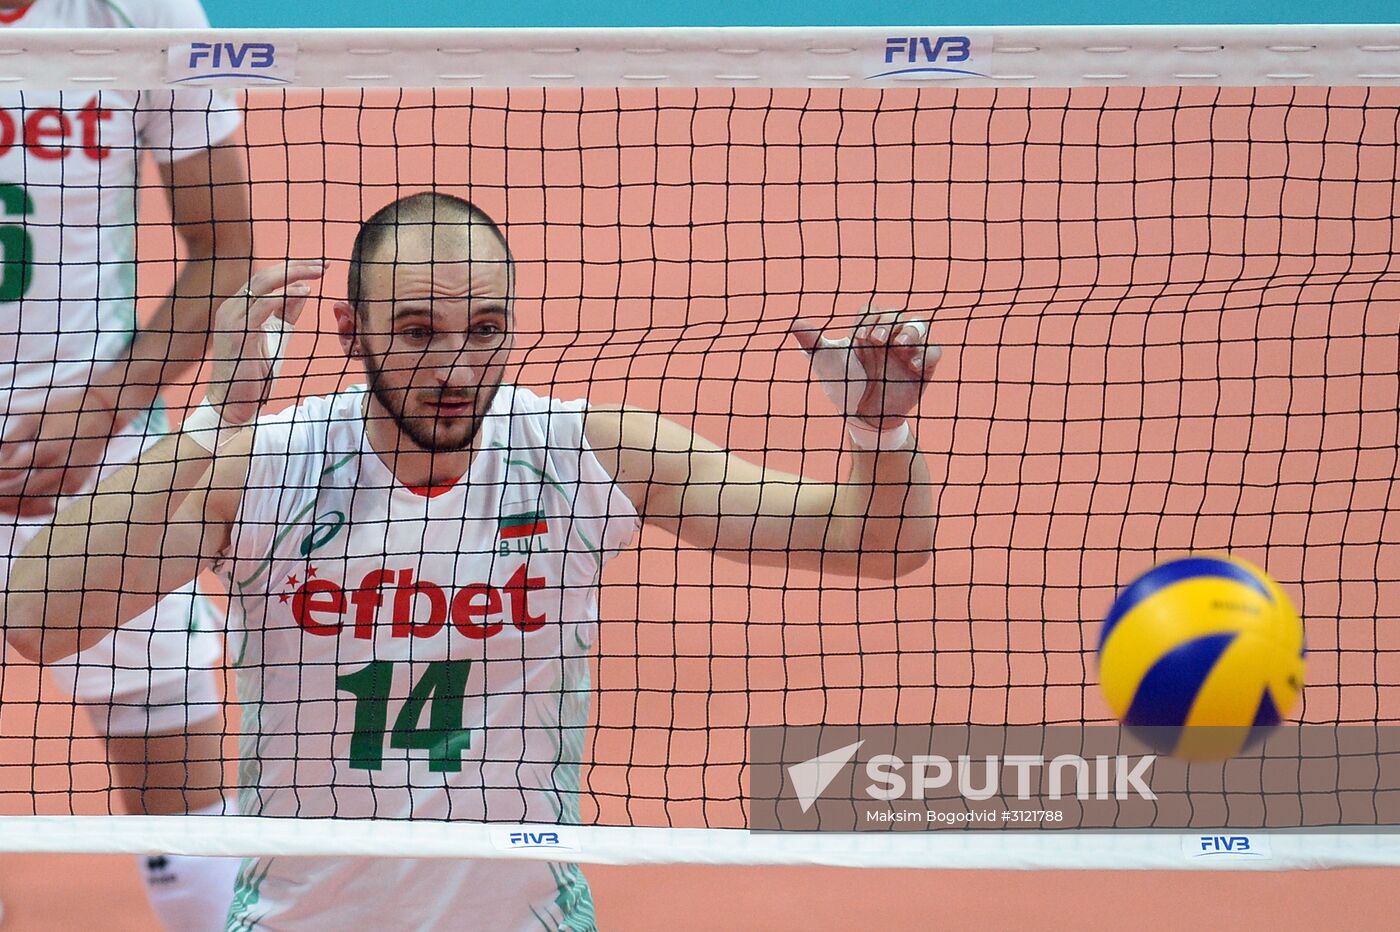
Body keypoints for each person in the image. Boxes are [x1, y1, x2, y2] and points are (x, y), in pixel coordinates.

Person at [5, 191, 937, 930]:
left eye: (484, 329)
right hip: (302, 919)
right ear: (350, 330)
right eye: (416, 331)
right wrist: (218, 415)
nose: (455, 368)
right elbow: (38, 617)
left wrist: (881, 430)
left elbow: (876, 542)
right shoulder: (266, 467)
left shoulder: (582, 457)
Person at [0, 0, 252, 928]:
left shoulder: (141, 13)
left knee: (188, 821)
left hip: (104, 478)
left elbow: (226, 252)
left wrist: (105, 405)